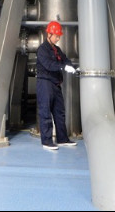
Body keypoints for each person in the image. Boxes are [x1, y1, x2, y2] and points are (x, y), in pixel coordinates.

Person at [36, 20, 78, 151]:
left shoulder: (57, 50)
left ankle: (62, 139)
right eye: (56, 35)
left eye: (59, 36)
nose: (58, 38)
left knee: (60, 112)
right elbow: (49, 65)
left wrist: (73, 67)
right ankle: (47, 141)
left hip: (56, 84)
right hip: (45, 83)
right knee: (46, 112)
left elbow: (66, 60)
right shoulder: (42, 50)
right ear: (48, 34)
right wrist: (63, 67)